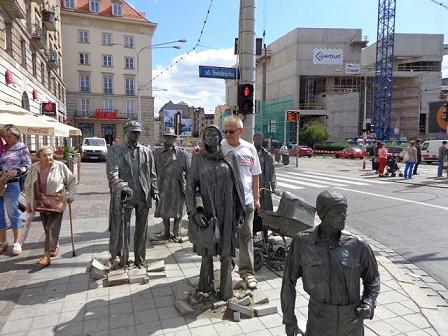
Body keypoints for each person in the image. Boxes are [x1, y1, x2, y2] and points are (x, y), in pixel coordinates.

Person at [281, 190, 380, 336]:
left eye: (345, 211)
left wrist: (368, 303)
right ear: (323, 214)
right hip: (319, 319)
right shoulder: (302, 243)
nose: (343, 216)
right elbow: (288, 282)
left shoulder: (358, 245)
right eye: (338, 212)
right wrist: (289, 320)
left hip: (351, 321)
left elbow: (373, 279)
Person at [186, 125, 245, 300]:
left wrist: (240, 213)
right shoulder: (198, 159)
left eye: (214, 134)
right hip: (208, 210)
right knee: (207, 249)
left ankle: (226, 290)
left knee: (226, 250)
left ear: (220, 138)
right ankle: (206, 286)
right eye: (207, 134)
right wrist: (194, 210)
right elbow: (190, 186)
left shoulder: (230, 156)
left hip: (227, 209)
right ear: (203, 139)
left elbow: (238, 186)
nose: (211, 137)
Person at [106, 120, 159, 269]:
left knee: (142, 232)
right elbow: (112, 174)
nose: (136, 135)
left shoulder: (146, 151)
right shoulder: (115, 150)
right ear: (126, 132)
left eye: (138, 132)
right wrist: (121, 186)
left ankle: (139, 260)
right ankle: (123, 260)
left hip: (143, 195)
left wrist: (155, 190)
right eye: (133, 132)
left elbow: (152, 174)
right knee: (124, 230)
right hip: (125, 197)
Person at [221, 115, 262, 290]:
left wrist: (257, 198)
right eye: (226, 131)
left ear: (241, 131)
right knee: (226, 237)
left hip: (246, 202)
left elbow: (255, 175)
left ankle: (247, 273)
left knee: (246, 237)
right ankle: (226, 268)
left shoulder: (250, 149)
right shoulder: (219, 147)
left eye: (231, 131)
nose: (228, 134)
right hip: (226, 202)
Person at [24, 146, 77, 266]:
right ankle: (54, 246)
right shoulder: (33, 168)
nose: (48, 157)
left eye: (50, 154)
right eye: (45, 155)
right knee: (47, 227)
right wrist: (28, 202)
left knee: (50, 228)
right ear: (39, 157)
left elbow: (72, 181)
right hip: (41, 202)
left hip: (57, 201)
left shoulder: (60, 166)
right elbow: (28, 186)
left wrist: (71, 195)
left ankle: (46, 255)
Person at [154, 128, 190, 243]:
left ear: (175, 138)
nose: (169, 139)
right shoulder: (157, 153)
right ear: (164, 138)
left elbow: (189, 172)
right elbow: (152, 172)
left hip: (177, 185)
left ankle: (177, 233)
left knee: (178, 210)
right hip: (162, 186)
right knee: (164, 210)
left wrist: (190, 188)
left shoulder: (182, 154)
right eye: (167, 136)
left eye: (171, 137)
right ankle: (166, 232)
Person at [0, 125, 31, 256]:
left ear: (16, 135)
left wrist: (17, 171)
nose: (6, 139)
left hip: (12, 183)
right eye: (4, 136)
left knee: (12, 211)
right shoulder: (2, 147)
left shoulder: (21, 148)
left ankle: (17, 242)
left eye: (9, 136)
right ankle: (2, 241)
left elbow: (27, 165)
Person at [253, 133, 280, 210]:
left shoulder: (268, 156)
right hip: (252, 186)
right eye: (256, 138)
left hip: (264, 187)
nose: (258, 140)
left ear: (263, 140)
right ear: (253, 139)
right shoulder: (249, 153)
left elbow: (272, 174)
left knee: (265, 211)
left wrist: (274, 187)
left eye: (260, 138)